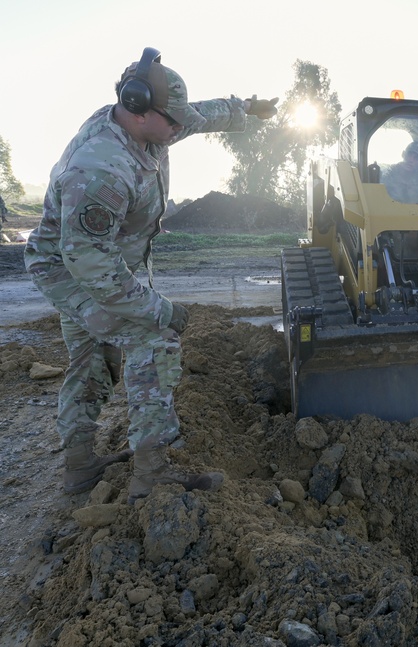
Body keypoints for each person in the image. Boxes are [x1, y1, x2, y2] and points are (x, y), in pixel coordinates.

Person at [22, 48, 278, 502]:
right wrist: (159, 309)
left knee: (92, 358)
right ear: (138, 110)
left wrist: (246, 109)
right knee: (154, 339)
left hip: (99, 261)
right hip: (73, 269)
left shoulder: (152, 125)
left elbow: (197, 115)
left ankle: (80, 467)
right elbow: (91, 265)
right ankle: (151, 473)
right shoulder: (100, 168)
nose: (180, 129)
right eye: (172, 121)